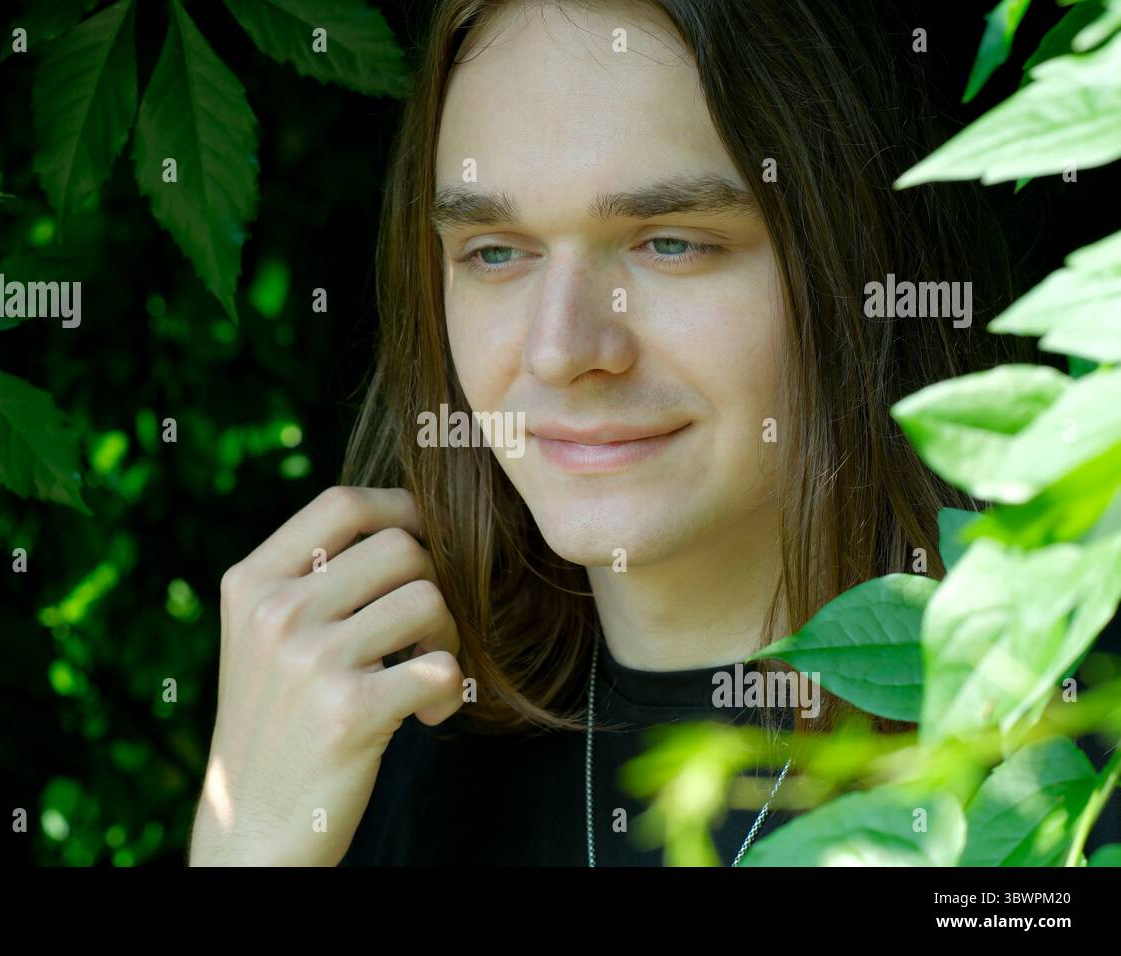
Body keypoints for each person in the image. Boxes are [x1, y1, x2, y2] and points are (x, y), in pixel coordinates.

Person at [186, 0, 1055, 866]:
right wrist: (251, 842)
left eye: (669, 244)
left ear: (857, 258)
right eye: (495, 251)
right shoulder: (369, 759)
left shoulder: (1063, 759)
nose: (562, 350)